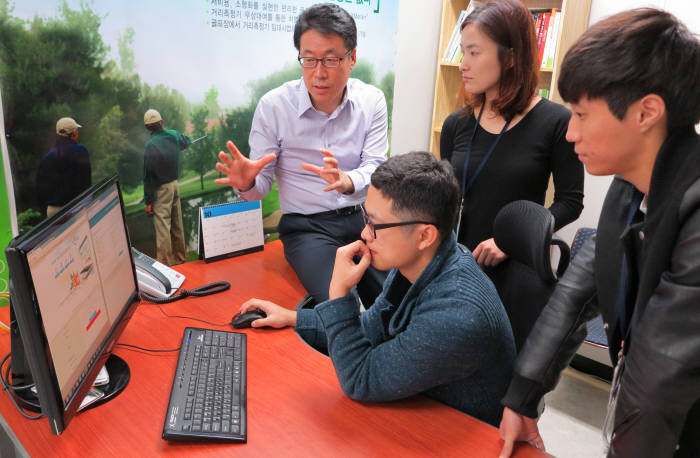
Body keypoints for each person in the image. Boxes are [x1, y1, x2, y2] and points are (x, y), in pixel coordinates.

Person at [498, 8, 700, 458]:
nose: (570, 132)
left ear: (648, 111)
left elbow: (659, 379)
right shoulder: (630, 187)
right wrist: (523, 397)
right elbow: (576, 291)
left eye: (582, 114)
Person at [238, 152, 516, 426]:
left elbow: (360, 379)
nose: (365, 234)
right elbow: (371, 327)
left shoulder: (456, 314)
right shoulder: (420, 261)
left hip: (461, 436)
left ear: (424, 235)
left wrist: (339, 293)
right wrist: (293, 318)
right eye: (366, 219)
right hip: (423, 406)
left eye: (376, 224)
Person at [215, 3, 388, 306]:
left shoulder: (372, 101)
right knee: (342, 304)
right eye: (308, 60)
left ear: (352, 58)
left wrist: (347, 180)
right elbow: (261, 188)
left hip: (364, 221)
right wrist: (246, 184)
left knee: (397, 298)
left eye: (331, 59)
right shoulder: (274, 107)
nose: (318, 73)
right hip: (307, 229)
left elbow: (376, 166)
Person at [440, 0, 583, 268]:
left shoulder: (556, 122)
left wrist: (514, 240)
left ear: (511, 58)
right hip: (457, 267)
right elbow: (446, 200)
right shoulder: (455, 124)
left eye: (474, 53)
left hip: (517, 268)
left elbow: (571, 202)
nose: (462, 65)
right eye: (462, 52)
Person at [143, 108, 190, 266]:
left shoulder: (151, 145)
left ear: (147, 127)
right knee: (177, 224)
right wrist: (181, 146)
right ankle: (181, 260)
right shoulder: (173, 135)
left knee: (163, 227)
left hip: (161, 189)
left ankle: (164, 265)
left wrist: (148, 201)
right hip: (175, 185)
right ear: (161, 122)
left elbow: (148, 176)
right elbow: (186, 141)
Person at [36, 117, 91, 217]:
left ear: (57, 133)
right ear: (74, 134)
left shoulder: (47, 158)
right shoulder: (81, 151)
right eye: (76, 130)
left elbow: (41, 191)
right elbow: (86, 182)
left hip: (53, 212)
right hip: (76, 207)